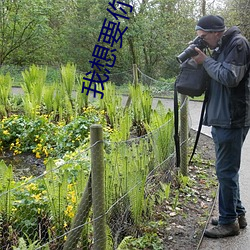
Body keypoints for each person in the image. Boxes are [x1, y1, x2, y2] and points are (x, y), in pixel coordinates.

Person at [192, 15, 250, 238]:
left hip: (232, 118)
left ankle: (228, 223)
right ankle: (237, 214)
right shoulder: (221, 46)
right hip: (222, 117)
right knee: (227, 171)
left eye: (204, 37)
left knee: (225, 171)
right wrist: (202, 59)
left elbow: (229, 77)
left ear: (216, 32)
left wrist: (205, 61)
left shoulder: (238, 44)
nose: (203, 41)